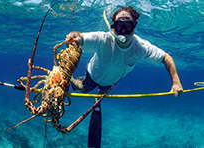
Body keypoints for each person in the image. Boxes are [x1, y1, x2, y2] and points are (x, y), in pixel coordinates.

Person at [66, 6, 183, 148]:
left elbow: (166, 57)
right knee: (84, 89)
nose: (123, 32)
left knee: (102, 93)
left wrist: (176, 82)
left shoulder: (141, 47)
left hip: (112, 82)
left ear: (134, 26)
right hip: (93, 75)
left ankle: (99, 96)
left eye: (127, 26)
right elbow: (82, 37)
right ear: (112, 27)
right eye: (119, 26)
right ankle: (73, 79)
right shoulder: (103, 39)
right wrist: (76, 35)